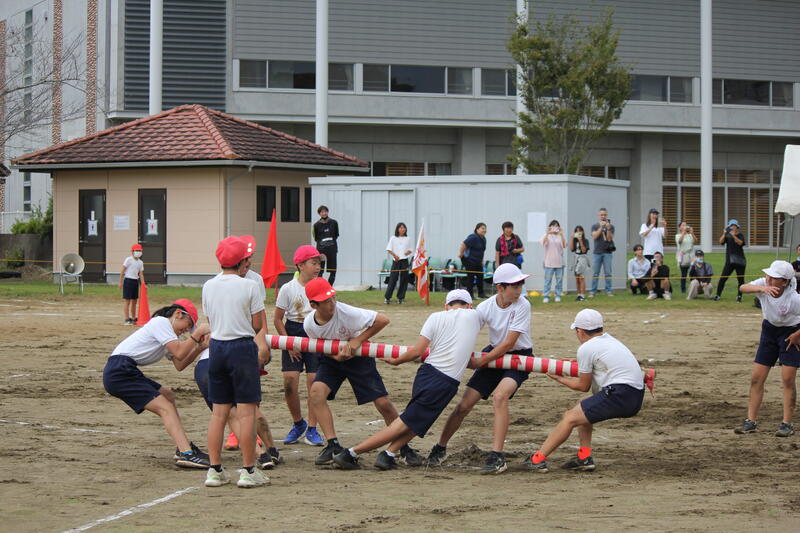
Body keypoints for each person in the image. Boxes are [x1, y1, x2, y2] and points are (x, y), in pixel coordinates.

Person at [332, 289, 482, 471]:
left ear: (446, 306)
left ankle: (388, 454)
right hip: (443, 381)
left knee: (417, 421)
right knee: (403, 423)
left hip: (426, 373)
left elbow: (417, 351)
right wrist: (395, 361)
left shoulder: (435, 317)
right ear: (469, 305)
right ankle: (351, 453)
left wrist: (398, 361)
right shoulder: (474, 316)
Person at [302, 277, 423, 467]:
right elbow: (320, 348)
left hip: (359, 358)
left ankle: (404, 447)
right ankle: (332, 444)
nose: (331, 303)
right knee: (316, 393)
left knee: (383, 403)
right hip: (332, 360)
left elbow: (382, 320)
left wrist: (358, 340)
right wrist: (336, 357)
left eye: (332, 298)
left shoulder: (347, 312)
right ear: (314, 305)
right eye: (325, 301)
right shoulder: (309, 324)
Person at [426, 263, 532, 475]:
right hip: (493, 355)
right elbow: (465, 329)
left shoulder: (523, 305)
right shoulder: (485, 307)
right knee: (464, 405)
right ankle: (440, 447)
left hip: (519, 357)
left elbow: (509, 343)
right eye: (515, 285)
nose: (519, 289)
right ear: (500, 288)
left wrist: (481, 361)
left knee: (500, 396)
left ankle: (497, 456)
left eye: (521, 284)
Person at [527, 309, 645, 473]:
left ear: (580, 331)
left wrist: (559, 378)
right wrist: (581, 362)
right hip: (635, 394)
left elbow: (583, 386)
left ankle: (537, 459)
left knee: (570, 418)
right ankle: (584, 457)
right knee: (582, 407)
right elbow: (603, 361)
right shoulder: (610, 340)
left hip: (620, 393)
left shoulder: (586, 348)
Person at [200, 235, 281, 467]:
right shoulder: (250, 285)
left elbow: (211, 319)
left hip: (217, 347)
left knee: (218, 414)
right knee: (246, 413)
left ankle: (214, 469)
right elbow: (257, 325)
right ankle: (249, 469)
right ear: (242, 261)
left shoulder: (208, 285)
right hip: (241, 347)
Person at [102, 299, 211, 468]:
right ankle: (186, 453)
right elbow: (180, 351)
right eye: (187, 325)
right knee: (165, 407)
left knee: (168, 395)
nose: (186, 331)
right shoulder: (160, 322)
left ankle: (182, 446)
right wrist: (196, 335)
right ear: (178, 314)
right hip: (120, 371)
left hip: (126, 370)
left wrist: (199, 348)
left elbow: (179, 364)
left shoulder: (168, 335)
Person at [733, 261, 800, 438]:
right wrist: (761, 290)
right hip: (769, 331)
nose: (768, 279)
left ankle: (787, 423)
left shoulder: (794, 299)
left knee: (788, 379)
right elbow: (742, 287)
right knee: (756, 378)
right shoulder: (764, 284)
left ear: (785, 282)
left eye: (774, 277)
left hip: (791, 335)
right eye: (768, 275)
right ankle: (751, 421)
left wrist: (797, 335)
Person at [273, 245, 325, 447]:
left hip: (314, 331)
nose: (318, 267)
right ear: (300, 265)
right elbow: (278, 319)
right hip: (292, 332)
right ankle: (298, 424)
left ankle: (312, 429)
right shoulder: (288, 288)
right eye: (314, 263)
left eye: (319, 263)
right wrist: (288, 343)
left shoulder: (322, 285)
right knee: (289, 382)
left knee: (314, 382)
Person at [714, 219, 746, 302]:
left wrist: (734, 235)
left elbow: (740, 243)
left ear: (737, 227)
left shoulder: (740, 235)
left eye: (734, 226)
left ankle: (739, 297)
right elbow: (721, 242)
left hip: (740, 261)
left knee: (740, 280)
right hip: (729, 261)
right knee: (723, 278)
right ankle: (718, 295)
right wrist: (724, 234)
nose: (732, 227)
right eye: (731, 226)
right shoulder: (727, 236)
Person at [384, 222, 413, 304]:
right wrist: (395, 255)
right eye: (400, 228)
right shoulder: (393, 238)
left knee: (404, 279)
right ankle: (387, 297)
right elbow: (389, 249)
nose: (402, 229)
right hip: (396, 260)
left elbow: (410, 249)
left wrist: (408, 252)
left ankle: (400, 298)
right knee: (393, 278)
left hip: (404, 261)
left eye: (403, 228)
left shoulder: (408, 238)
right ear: (397, 229)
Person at [590, 208, 615, 297]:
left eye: (605, 215)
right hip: (597, 252)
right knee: (595, 273)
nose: (603, 216)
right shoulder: (594, 226)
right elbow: (595, 236)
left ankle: (608, 291)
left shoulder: (611, 226)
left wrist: (608, 229)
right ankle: (593, 291)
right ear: (599, 216)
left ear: (607, 215)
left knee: (608, 272)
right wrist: (601, 227)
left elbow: (609, 239)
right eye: (601, 215)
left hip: (607, 252)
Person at [458, 223, 487, 299]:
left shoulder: (483, 239)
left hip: (478, 261)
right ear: (477, 229)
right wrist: (461, 254)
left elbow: (482, 251)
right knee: (470, 278)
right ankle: (470, 295)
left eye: (485, 228)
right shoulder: (473, 237)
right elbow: (463, 244)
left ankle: (481, 294)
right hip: (469, 260)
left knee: (480, 277)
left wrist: (482, 261)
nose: (484, 230)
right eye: (482, 228)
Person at [118, 243, 145, 325]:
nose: (138, 252)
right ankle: (127, 318)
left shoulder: (140, 262)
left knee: (134, 301)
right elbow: (122, 271)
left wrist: (143, 284)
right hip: (128, 281)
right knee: (127, 301)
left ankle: (133, 318)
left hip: (135, 282)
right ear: (132, 251)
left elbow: (140, 274)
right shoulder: (128, 260)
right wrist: (120, 282)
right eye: (137, 250)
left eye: (140, 250)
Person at [540, 220, 566, 303]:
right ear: (550, 226)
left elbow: (564, 245)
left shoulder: (560, 236)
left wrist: (561, 234)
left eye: (556, 226)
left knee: (559, 280)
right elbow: (542, 242)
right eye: (553, 225)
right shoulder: (546, 235)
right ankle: (546, 296)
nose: (555, 227)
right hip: (549, 262)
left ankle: (557, 295)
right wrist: (548, 233)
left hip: (559, 262)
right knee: (547, 280)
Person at [313, 205, 339, 285]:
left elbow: (336, 235)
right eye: (322, 212)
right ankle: (321, 288)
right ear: (319, 214)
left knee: (333, 270)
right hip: (321, 251)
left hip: (332, 249)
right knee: (320, 270)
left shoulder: (334, 222)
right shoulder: (316, 225)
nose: (324, 213)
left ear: (328, 212)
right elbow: (315, 237)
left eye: (325, 211)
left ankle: (329, 288)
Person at [675, 222, 696, 293]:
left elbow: (695, 241)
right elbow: (680, 242)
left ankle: (693, 288)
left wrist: (692, 233)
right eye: (683, 225)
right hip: (683, 256)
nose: (685, 226)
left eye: (686, 225)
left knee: (692, 272)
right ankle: (683, 290)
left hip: (691, 255)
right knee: (683, 274)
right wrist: (684, 233)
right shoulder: (677, 235)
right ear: (679, 228)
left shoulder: (690, 235)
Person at [570, 225, 590, 301]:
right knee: (577, 278)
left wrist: (581, 240)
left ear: (583, 232)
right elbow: (571, 249)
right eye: (576, 231)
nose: (578, 233)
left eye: (580, 231)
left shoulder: (586, 240)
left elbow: (584, 250)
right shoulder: (574, 241)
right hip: (576, 258)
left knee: (582, 277)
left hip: (583, 258)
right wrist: (572, 238)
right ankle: (578, 294)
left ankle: (582, 295)